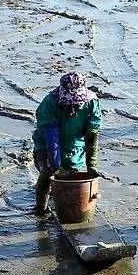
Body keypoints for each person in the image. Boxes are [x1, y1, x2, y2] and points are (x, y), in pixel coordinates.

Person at [32, 71, 102, 215]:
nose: (73, 106)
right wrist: (56, 167)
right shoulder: (50, 103)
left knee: (72, 179)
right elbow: (52, 139)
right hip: (46, 146)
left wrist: (92, 165)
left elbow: (91, 136)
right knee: (46, 173)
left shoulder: (92, 102)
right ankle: (40, 209)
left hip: (73, 148)